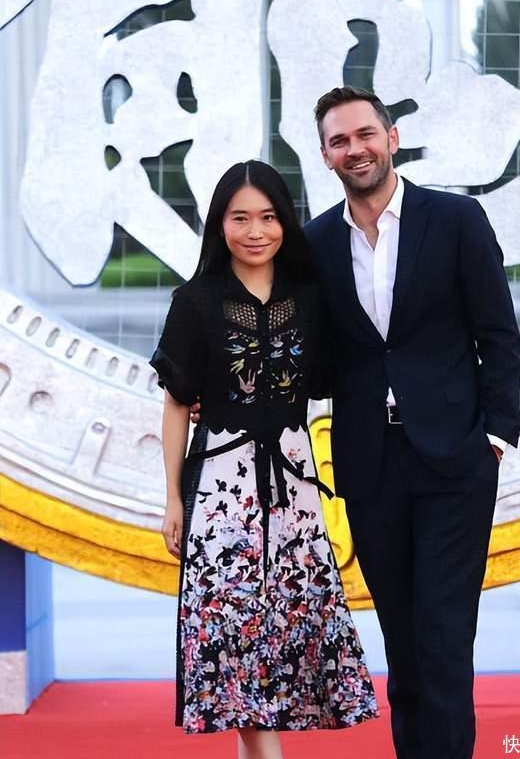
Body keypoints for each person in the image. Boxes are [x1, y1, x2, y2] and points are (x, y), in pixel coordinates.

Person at [303, 86, 520, 759]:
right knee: (401, 642)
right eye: (340, 140)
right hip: (370, 466)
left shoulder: (455, 220)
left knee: (445, 638)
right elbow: (314, 360)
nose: (355, 149)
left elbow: (498, 334)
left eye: (365, 134)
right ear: (325, 155)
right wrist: (220, 388)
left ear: (391, 139)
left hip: (455, 461)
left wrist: (493, 437)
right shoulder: (315, 243)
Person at [150, 160, 377, 758]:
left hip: (295, 489)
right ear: (219, 224)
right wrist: (172, 499)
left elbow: (335, 375)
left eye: (269, 217)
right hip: (220, 488)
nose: (255, 231)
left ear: (285, 222)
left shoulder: (311, 299)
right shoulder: (195, 301)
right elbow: (176, 404)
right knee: (232, 622)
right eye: (240, 218)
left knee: (286, 622)